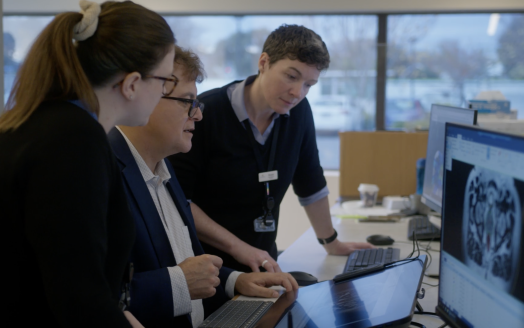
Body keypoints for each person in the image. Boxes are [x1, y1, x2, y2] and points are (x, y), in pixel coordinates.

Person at [0, 1, 176, 327]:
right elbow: (78, 296)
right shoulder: (73, 142)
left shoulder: (52, 124)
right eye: (165, 80)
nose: (165, 91)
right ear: (133, 83)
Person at [108, 45, 299, 328]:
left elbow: (190, 268)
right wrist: (180, 285)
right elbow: (95, 297)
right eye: (187, 101)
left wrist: (236, 280)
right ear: (144, 96)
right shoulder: (104, 173)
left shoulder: (164, 165)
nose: (197, 116)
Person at [170, 24, 373, 273]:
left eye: (309, 84)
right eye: (291, 76)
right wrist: (239, 248)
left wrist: (331, 242)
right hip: (207, 269)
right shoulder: (206, 113)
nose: (298, 93)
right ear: (264, 63)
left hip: (262, 265)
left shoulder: (298, 111)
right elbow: (179, 200)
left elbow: (310, 181)